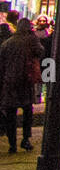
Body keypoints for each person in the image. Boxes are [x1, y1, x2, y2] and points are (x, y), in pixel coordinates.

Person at [0, 17, 43, 152]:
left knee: (11, 113)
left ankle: (12, 143)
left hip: (10, 81)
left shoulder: (7, 44)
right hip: (26, 80)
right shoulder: (31, 41)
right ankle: (25, 139)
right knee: (27, 111)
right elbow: (41, 52)